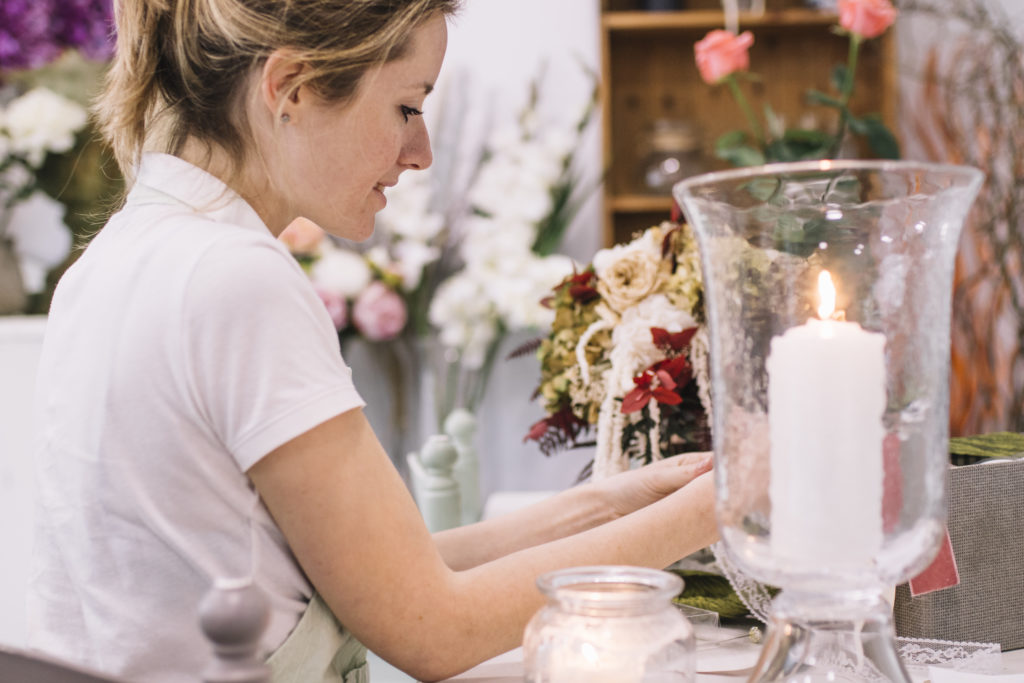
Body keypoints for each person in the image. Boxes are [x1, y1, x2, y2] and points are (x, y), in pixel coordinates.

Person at [26, 1, 718, 681]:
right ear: (290, 87)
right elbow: (432, 628)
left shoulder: (112, 263)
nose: (421, 152)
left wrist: (610, 502)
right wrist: (725, 505)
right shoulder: (234, 279)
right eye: (408, 107)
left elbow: (384, 576)